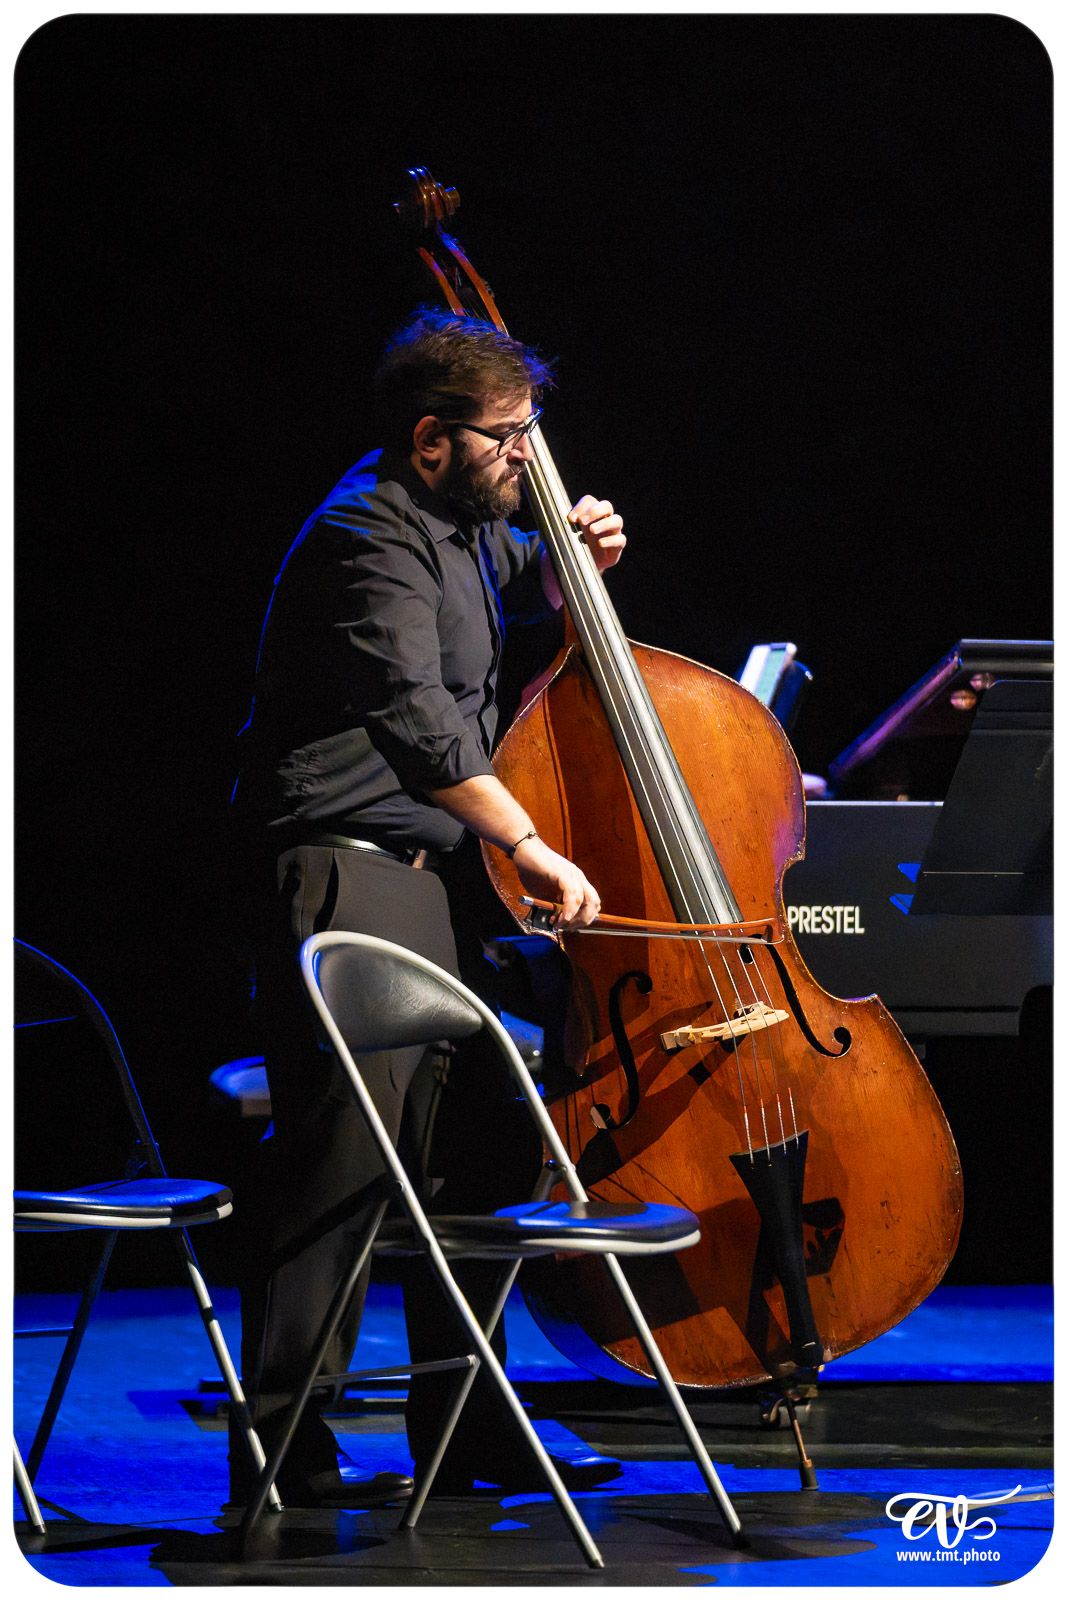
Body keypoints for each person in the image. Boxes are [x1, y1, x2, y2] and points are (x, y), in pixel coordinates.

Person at [228, 308, 626, 1508]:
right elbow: (418, 720)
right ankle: (280, 1462)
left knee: (477, 1156)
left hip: (426, 884)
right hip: (342, 873)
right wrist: (528, 841)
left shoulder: (462, 529)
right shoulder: (365, 537)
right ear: (429, 438)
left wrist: (573, 567)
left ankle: (469, 1432)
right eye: (509, 440)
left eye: (531, 435)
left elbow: (519, 598)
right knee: (341, 1169)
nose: (528, 461)